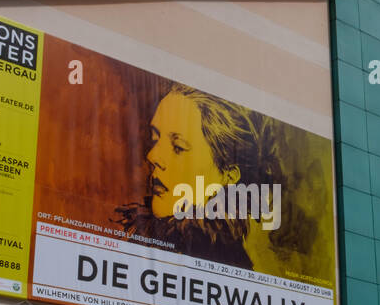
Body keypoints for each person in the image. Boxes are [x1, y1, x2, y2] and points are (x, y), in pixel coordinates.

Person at [114, 84, 281, 271]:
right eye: (155, 139)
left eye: (178, 147)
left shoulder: (221, 262)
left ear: (228, 175)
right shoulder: (152, 240)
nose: (152, 156)